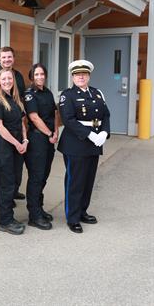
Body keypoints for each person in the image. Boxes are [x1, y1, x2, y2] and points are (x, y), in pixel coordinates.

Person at [58, 60, 110, 234]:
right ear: (72, 77)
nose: (81, 76)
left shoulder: (97, 93)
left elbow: (106, 115)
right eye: (77, 74)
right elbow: (68, 120)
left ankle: (82, 211)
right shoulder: (68, 95)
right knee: (75, 182)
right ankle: (72, 218)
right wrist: (90, 134)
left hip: (94, 144)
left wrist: (104, 133)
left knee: (88, 181)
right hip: (76, 144)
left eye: (84, 74)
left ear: (89, 76)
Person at [0, 68, 28, 235]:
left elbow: (21, 122)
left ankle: (9, 217)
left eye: (9, 78)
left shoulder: (15, 99)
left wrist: (24, 140)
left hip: (17, 145)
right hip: (4, 146)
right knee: (6, 184)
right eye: (3, 79)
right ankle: (5, 221)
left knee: (13, 182)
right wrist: (16, 143)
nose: (7, 81)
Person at [23, 63, 59, 231]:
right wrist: (49, 133)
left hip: (49, 139)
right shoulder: (30, 94)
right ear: (32, 76)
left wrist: (56, 131)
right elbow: (34, 118)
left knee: (44, 175)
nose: (39, 77)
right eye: (36, 74)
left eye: (42, 74)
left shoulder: (48, 92)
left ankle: (39, 208)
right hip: (37, 139)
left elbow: (54, 113)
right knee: (36, 177)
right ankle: (34, 215)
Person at [0, 46, 26, 200]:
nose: (7, 60)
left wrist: (24, 138)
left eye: (9, 57)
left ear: (13, 58)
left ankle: (10, 194)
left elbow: (19, 98)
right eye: (3, 57)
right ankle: (3, 196)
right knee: (4, 174)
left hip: (16, 122)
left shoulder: (18, 76)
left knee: (14, 172)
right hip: (0, 124)